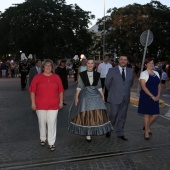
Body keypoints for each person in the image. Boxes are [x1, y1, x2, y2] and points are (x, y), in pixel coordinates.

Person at [68, 57, 113, 142]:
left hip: (96, 95)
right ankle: (88, 133)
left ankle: (95, 129)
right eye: (88, 63)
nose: (90, 65)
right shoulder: (82, 74)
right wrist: (77, 97)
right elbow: (79, 87)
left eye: (92, 63)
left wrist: (102, 96)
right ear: (86, 64)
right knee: (87, 114)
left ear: (94, 65)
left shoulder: (97, 74)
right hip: (85, 95)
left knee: (98, 113)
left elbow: (99, 87)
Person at [29, 59, 64, 151]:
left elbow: (60, 90)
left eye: (50, 65)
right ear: (43, 67)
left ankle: (51, 142)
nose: (48, 67)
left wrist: (61, 102)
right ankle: (43, 138)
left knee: (52, 123)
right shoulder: (37, 77)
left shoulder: (56, 77)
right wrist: (33, 103)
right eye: (46, 65)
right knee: (42, 122)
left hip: (54, 105)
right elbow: (32, 91)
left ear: (52, 67)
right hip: (40, 104)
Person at [105, 53, 134, 141]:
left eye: (125, 60)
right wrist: (114, 91)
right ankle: (109, 129)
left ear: (127, 61)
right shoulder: (112, 70)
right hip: (114, 97)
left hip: (125, 98)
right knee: (113, 114)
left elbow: (130, 83)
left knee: (122, 116)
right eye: (121, 59)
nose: (123, 61)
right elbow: (107, 84)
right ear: (119, 60)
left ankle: (120, 132)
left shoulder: (130, 71)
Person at [138, 58, 161, 140]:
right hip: (146, 96)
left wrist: (158, 95)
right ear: (145, 65)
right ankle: (146, 132)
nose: (151, 64)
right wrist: (152, 96)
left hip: (155, 96)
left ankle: (146, 126)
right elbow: (143, 87)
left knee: (155, 115)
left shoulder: (156, 73)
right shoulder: (143, 74)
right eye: (149, 63)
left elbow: (159, 85)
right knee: (147, 114)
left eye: (152, 63)